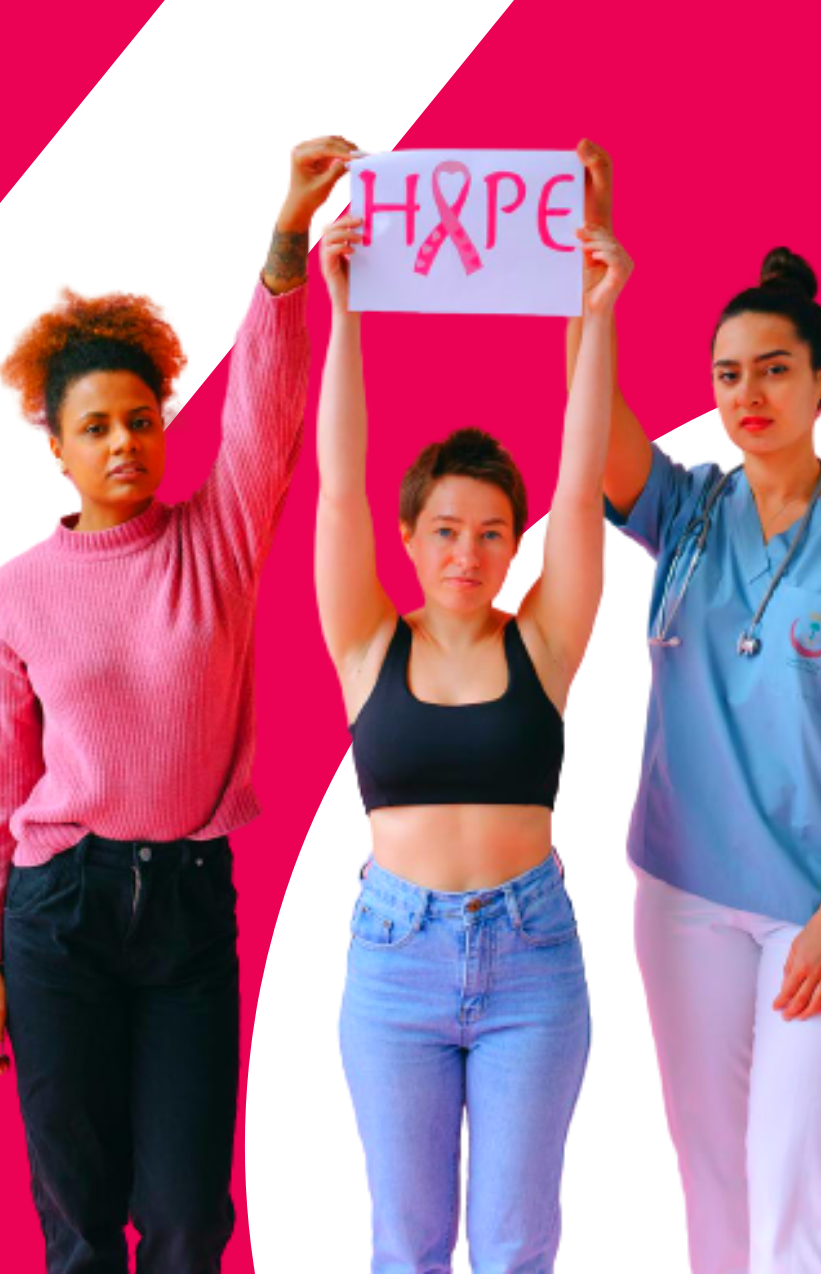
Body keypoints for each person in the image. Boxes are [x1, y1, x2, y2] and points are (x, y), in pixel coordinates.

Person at [0, 136, 355, 1274]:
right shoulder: (16, 594)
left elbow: (268, 417)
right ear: (60, 448)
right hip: (58, 914)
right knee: (79, 1223)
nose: (125, 442)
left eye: (140, 417)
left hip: (184, 908)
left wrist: (284, 248)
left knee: (185, 1215)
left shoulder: (216, 543)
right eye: (96, 427)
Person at [569, 141, 821, 1274]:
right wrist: (595, 289)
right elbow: (588, 421)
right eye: (727, 372)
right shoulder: (686, 511)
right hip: (683, 893)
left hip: (820, 904)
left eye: (774, 369)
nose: (746, 395)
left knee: (803, 1173)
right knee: (710, 1166)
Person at [313, 207, 631, 1273]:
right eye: (446, 529)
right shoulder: (364, 639)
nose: (468, 551)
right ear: (407, 536)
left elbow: (581, 488)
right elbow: (337, 479)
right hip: (395, 964)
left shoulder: (543, 640)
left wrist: (594, 317)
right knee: (407, 1246)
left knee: (513, 1244)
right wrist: (344, 316)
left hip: (531, 961)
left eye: (493, 531)